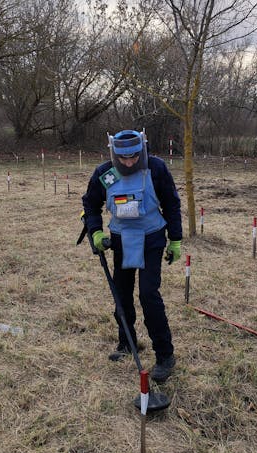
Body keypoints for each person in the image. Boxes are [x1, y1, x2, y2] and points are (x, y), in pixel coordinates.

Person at [82, 129, 182, 382]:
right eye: (123, 158)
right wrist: (96, 232)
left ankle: (165, 355)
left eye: (134, 157)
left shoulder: (156, 168)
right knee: (122, 294)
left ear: (142, 150)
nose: (129, 163)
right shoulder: (106, 173)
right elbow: (90, 204)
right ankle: (126, 343)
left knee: (148, 294)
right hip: (121, 240)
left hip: (152, 238)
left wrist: (176, 239)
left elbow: (171, 203)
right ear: (114, 154)